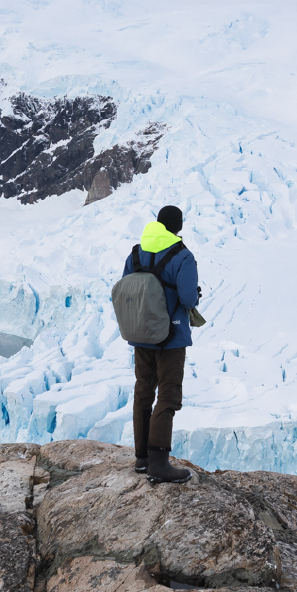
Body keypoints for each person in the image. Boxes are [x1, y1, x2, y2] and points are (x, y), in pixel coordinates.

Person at [123, 204, 199, 484]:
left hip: (142, 334)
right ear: (178, 226)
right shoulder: (183, 255)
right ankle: (159, 464)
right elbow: (188, 299)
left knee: (143, 390)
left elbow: (127, 290)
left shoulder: (136, 252)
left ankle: (142, 459)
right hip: (171, 336)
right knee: (168, 393)